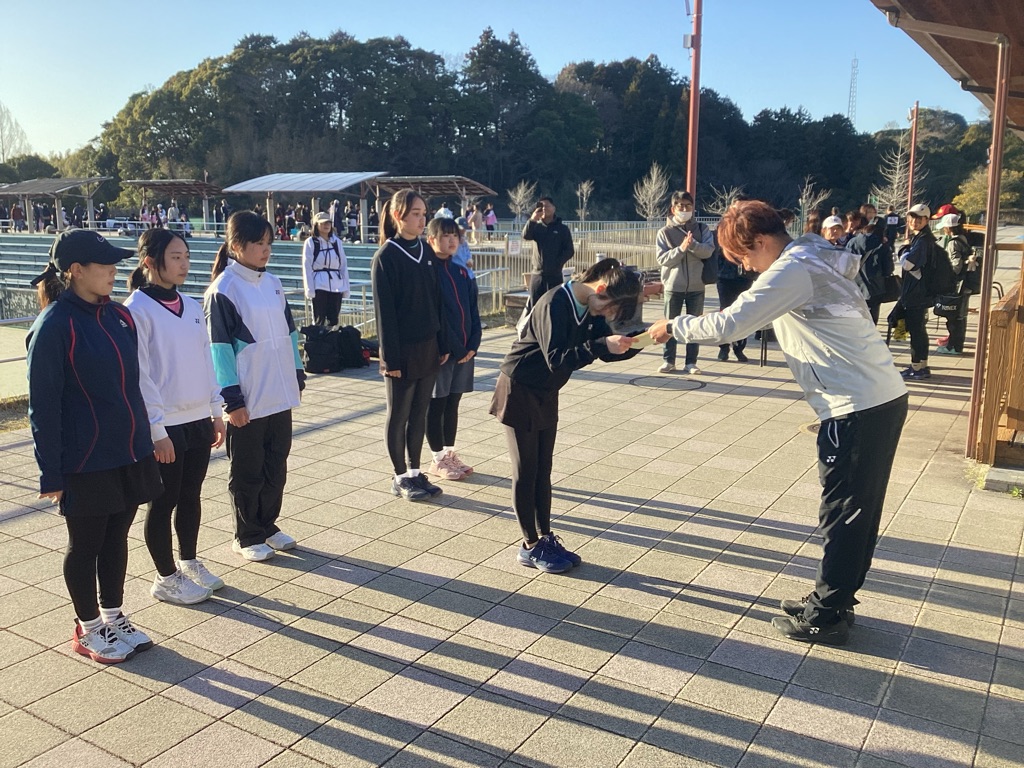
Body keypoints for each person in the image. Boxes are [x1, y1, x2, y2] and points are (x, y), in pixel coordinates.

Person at [648, 201, 908, 645]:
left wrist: (675, 326)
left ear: (762, 242)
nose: (746, 268)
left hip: (856, 405)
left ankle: (827, 614)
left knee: (843, 511)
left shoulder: (792, 270)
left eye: (744, 257)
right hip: (876, 398)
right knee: (856, 510)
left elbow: (731, 324)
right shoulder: (813, 255)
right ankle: (834, 598)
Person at [27, 229, 165, 663]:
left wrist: (146, 439)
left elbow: (134, 387)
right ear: (76, 270)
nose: (113, 271)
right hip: (85, 459)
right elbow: (43, 407)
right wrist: (51, 472)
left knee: (117, 537)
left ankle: (113, 615)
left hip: (128, 451)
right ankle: (87, 627)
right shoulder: (54, 326)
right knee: (86, 544)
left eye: (114, 265)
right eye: (104, 265)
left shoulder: (119, 316)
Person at [492, 258, 641, 573]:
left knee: (543, 469)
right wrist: (601, 344)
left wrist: (640, 341)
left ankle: (545, 537)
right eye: (608, 308)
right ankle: (529, 545)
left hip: (546, 390)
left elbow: (604, 350)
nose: (606, 316)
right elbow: (557, 358)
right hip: (519, 387)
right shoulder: (555, 302)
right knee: (526, 471)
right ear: (600, 289)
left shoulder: (591, 305)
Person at [124, 229, 227, 604]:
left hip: (198, 417)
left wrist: (215, 410)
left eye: (186, 256)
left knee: (191, 495)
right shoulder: (135, 309)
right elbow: (141, 375)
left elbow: (206, 359)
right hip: (165, 424)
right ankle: (165, 577)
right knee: (163, 501)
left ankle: (189, 562)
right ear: (150, 262)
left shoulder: (191, 305)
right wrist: (156, 429)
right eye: (175, 257)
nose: (184, 264)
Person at [206, 211, 305, 562]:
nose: (266, 250)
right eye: (258, 243)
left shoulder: (273, 282)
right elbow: (218, 350)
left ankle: (267, 525)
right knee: (247, 470)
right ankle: (246, 534)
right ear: (236, 246)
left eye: (268, 243)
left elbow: (290, 332)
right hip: (248, 397)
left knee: (276, 464)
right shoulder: (224, 290)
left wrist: (296, 372)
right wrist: (232, 401)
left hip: (279, 392)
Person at [372, 189, 450, 502]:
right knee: (399, 414)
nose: (421, 219)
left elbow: (437, 300)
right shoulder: (386, 256)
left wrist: (442, 341)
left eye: (423, 214)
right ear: (398, 216)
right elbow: (384, 314)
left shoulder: (425, 251)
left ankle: (416, 472)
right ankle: (400, 476)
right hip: (401, 351)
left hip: (428, 346)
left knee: (420, 412)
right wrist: (391, 358)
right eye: (415, 214)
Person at [424, 217, 481, 481]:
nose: (451, 241)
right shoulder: (428, 272)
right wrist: (456, 347)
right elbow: (436, 316)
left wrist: (473, 343)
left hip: (465, 350)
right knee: (437, 403)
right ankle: (437, 459)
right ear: (432, 239)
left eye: (455, 236)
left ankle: (449, 453)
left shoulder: (461, 272)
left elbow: (473, 311)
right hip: (444, 351)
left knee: (453, 402)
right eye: (445, 236)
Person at [655, 190, 715, 374]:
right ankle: (668, 360)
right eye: (680, 206)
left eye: (688, 206)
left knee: (694, 326)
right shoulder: (664, 232)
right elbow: (663, 259)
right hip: (673, 286)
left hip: (697, 286)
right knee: (670, 325)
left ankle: (691, 362)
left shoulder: (702, 229)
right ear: (673, 209)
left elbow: (709, 250)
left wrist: (693, 245)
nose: (684, 209)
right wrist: (681, 249)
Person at [891, 203, 945, 380]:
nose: (914, 221)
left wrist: (903, 249)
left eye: (919, 219)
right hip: (922, 293)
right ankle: (921, 365)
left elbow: (908, 264)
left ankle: (917, 367)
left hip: (916, 293)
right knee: (919, 330)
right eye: (912, 218)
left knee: (916, 331)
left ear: (926, 220)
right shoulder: (924, 239)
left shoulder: (922, 241)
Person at [935, 212, 974, 355]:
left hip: (957, 285)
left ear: (948, 228)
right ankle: (956, 344)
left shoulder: (953, 242)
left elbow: (956, 265)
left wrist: (945, 276)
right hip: (966, 283)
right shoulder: (963, 238)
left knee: (953, 316)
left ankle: (953, 346)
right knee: (960, 316)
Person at [523, 196, 575, 304]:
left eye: (547, 206)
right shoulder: (536, 227)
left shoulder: (562, 229)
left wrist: (558, 263)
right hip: (537, 275)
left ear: (554, 208)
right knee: (535, 306)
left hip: (555, 275)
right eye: (541, 206)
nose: (544, 209)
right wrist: (533, 219)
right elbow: (526, 235)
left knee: (554, 305)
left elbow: (569, 250)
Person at [302, 211, 350, 326]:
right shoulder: (310, 242)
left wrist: (346, 287)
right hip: (319, 285)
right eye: (323, 223)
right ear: (316, 225)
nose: (326, 225)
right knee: (320, 320)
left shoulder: (337, 242)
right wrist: (309, 289)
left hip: (336, 285)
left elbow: (343, 265)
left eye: (328, 222)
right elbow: (307, 266)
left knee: (334, 320)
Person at [848, 214, 893, 326]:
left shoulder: (853, 242)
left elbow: (846, 265)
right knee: (871, 323)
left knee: (856, 321)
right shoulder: (883, 246)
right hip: (875, 289)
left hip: (854, 287)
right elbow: (888, 270)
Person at [715, 238, 753, 362]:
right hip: (724, 277)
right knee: (725, 313)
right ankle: (724, 347)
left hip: (744, 278)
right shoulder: (723, 234)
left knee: (743, 312)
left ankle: (739, 348)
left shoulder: (746, 235)